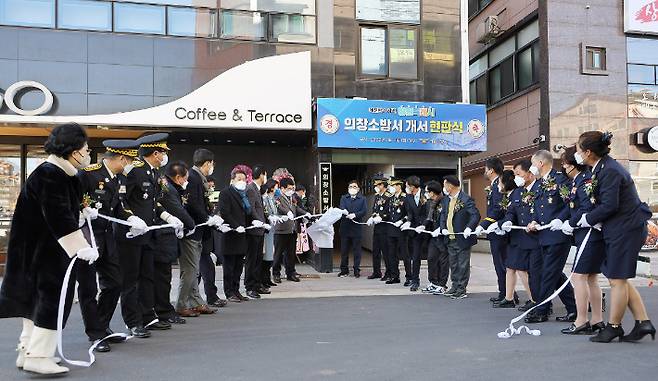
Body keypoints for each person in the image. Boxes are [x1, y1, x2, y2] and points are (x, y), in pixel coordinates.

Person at [0, 123, 98, 375]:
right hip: (45, 254)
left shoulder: (60, 173)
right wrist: (81, 247)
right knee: (51, 302)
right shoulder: (51, 174)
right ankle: (39, 356)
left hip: (36, 252)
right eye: (85, 149)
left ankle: (27, 351)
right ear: (73, 150)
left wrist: (83, 210)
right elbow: (58, 217)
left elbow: (63, 210)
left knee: (34, 302)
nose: (88, 153)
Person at [575, 131, 655, 343]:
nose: (577, 154)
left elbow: (610, 205)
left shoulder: (609, 170)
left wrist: (589, 218)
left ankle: (613, 327)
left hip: (626, 228)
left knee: (617, 279)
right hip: (620, 227)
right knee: (618, 276)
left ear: (588, 152)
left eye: (578, 150)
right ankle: (643, 322)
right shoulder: (602, 167)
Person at [115, 133, 184, 338]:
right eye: (163, 153)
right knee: (131, 281)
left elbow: (154, 203)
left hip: (149, 235)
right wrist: (131, 219)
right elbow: (121, 200)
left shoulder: (153, 173)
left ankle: (147, 316)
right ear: (155, 153)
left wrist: (168, 217)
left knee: (147, 277)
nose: (164, 156)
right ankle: (133, 321)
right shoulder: (134, 171)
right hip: (132, 234)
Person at [76, 139, 141, 353]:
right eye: (130, 160)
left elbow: (121, 206)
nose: (130, 164)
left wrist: (132, 219)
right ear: (121, 158)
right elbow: (73, 199)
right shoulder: (88, 174)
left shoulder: (119, 178)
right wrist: (81, 212)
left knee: (114, 282)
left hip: (106, 236)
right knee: (88, 288)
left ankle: (102, 325)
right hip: (87, 237)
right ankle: (94, 334)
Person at [524, 150, 576, 324]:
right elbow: (538, 210)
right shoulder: (539, 184)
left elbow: (571, 204)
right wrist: (533, 222)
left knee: (548, 273)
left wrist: (560, 219)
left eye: (533, 163)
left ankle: (542, 310)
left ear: (540, 163)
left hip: (559, 235)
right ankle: (574, 309)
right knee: (555, 274)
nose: (532, 168)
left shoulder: (560, 180)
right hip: (543, 235)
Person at [559, 146, 605, 334]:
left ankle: (581, 320)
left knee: (579, 277)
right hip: (587, 233)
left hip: (589, 233)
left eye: (564, 163)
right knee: (591, 278)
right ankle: (597, 320)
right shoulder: (579, 180)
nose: (562, 167)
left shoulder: (584, 180)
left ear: (572, 164)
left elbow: (586, 207)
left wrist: (571, 222)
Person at [155, 161, 207, 320]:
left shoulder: (171, 187)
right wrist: (190, 224)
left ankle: (191, 301)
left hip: (176, 234)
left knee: (191, 271)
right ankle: (180, 305)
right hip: (168, 236)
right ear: (178, 177)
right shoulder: (168, 189)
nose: (186, 182)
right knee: (184, 272)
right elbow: (178, 209)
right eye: (185, 178)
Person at [178, 148, 221, 315]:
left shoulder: (198, 178)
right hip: (193, 230)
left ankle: (195, 301)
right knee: (190, 271)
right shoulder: (194, 178)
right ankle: (183, 304)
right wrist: (206, 218)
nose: (212, 167)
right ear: (208, 163)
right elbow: (193, 204)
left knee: (195, 269)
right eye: (211, 163)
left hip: (199, 230)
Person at [499, 160, 542, 310]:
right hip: (521, 238)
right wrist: (508, 221)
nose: (516, 177)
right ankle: (533, 301)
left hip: (536, 238)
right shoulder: (518, 192)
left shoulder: (539, 188)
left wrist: (536, 222)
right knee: (516, 267)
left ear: (530, 173)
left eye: (518, 174)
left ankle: (537, 302)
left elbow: (543, 211)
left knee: (539, 273)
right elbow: (512, 211)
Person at [493, 169, 533, 308]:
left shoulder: (518, 193)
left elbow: (515, 214)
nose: (498, 185)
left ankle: (533, 299)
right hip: (513, 238)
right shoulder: (511, 195)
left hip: (521, 237)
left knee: (521, 269)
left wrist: (500, 223)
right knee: (510, 267)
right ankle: (509, 297)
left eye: (499, 182)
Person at [475, 158, 510, 303]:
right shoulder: (494, 184)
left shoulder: (498, 185)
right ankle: (506, 292)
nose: (484, 171)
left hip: (498, 231)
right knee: (500, 264)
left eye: (486, 168)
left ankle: (505, 293)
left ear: (491, 170)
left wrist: (483, 224)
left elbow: (497, 209)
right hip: (495, 230)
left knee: (501, 264)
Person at [439, 175, 480, 299]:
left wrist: (469, 228)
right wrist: (443, 228)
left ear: (450, 186)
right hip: (450, 237)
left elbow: (475, 215)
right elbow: (443, 215)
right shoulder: (446, 200)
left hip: (462, 238)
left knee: (462, 264)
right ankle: (455, 285)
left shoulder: (466, 199)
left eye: (445, 184)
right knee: (454, 264)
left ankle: (461, 288)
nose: (444, 187)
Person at [219, 167, 252, 302]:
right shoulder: (226, 193)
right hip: (231, 234)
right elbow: (225, 212)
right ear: (232, 180)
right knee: (229, 267)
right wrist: (235, 225)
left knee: (239, 266)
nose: (242, 182)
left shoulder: (243, 194)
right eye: (239, 179)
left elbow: (247, 212)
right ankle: (229, 292)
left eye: (244, 179)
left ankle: (236, 290)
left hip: (242, 234)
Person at [273, 177, 309, 283]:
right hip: (281, 230)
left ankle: (291, 273)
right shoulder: (277, 197)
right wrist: (287, 212)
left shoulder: (292, 197)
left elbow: (296, 208)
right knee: (278, 254)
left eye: (292, 188)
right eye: (289, 188)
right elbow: (279, 208)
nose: (291, 190)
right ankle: (276, 274)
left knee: (291, 253)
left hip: (292, 229)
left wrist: (305, 213)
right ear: (282, 188)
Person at [245, 164, 271, 299]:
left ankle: (256, 284)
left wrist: (267, 221)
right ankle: (250, 287)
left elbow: (260, 209)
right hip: (254, 230)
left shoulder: (257, 188)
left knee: (258, 259)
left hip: (260, 229)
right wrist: (259, 221)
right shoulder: (250, 188)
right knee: (252, 259)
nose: (265, 177)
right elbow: (251, 210)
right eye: (265, 174)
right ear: (261, 174)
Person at [423, 180, 449, 294]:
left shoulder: (445, 201)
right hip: (434, 235)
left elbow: (447, 218)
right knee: (431, 258)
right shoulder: (432, 202)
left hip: (442, 235)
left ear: (433, 192)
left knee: (443, 261)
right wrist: (423, 226)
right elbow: (429, 218)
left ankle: (442, 284)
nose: (427, 194)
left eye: (428, 192)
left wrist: (440, 229)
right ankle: (433, 282)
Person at [338, 180, 367, 277]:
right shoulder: (344, 198)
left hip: (356, 227)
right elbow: (342, 208)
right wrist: (345, 212)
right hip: (345, 227)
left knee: (357, 250)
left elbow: (364, 211)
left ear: (358, 189)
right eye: (350, 186)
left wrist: (355, 215)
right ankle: (344, 270)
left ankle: (356, 270)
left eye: (354, 186)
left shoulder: (362, 199)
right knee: (344, 250)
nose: (352, 188)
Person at [385, 178, 407, 284]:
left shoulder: (405, 198)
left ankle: (409, 277)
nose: (391, 188)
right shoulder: (391, 198)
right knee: (391, 254)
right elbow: (388, 213)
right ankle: (395, 276)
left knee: (404, 254)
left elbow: (409, 214)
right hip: (391, 230)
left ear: (399, 186)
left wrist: (402, 221)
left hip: (401, 230)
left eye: (393, 186)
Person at [368, 176, 390, 280]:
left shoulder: (388, 196)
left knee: (385, 252)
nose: (376, 187)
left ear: (382, 185)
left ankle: (388, 272)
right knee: (375, 251)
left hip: (385, 227)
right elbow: (374, 209)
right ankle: (376, 272)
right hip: (377, 227)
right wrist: (372, 217)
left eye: (377, 185)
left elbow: (389, 212)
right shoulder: (377, 196)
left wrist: (381, 217)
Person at [261, 179, 280, 287]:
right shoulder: (265, 198)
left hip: (273, 229)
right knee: (266, 255)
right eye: (276, 187)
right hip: (267, 230)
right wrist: (270, 217)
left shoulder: (273, 199)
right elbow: (267, 212)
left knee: (271, 255)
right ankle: (264, 279)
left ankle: (267, 278)